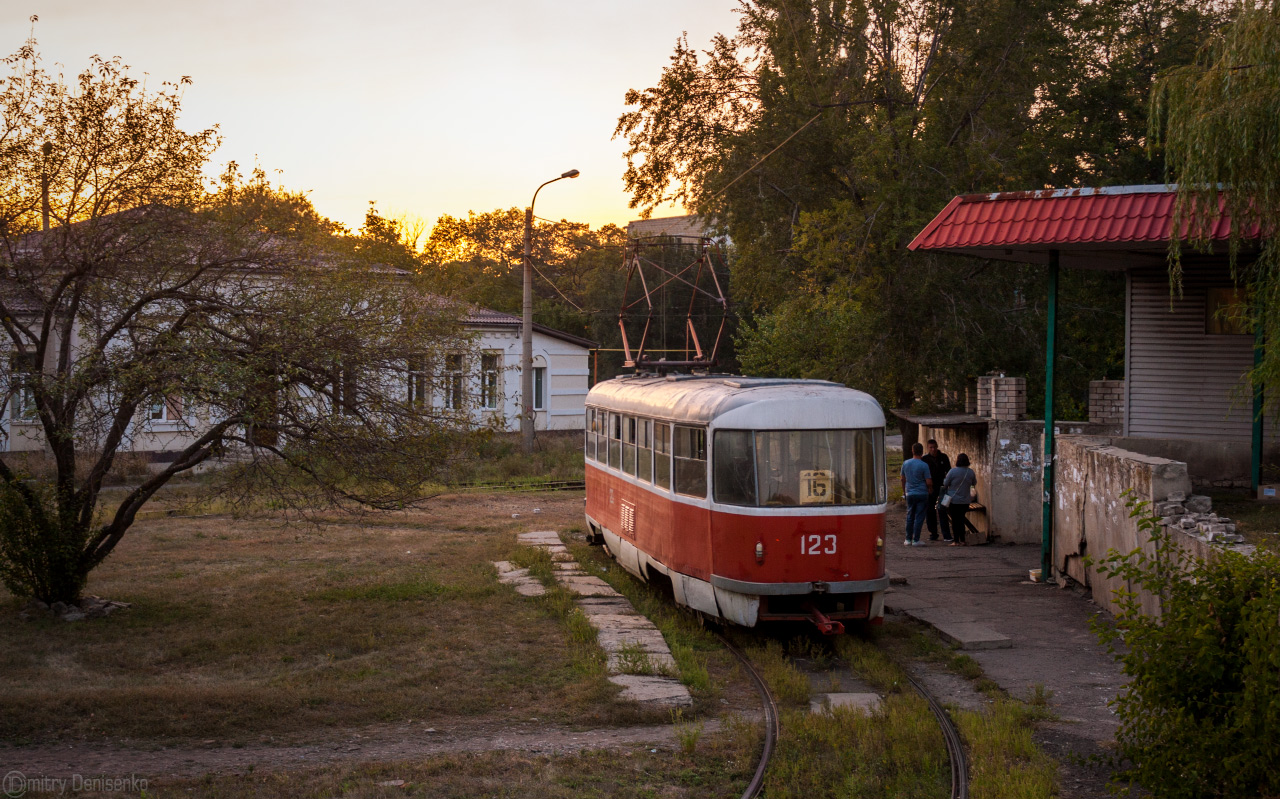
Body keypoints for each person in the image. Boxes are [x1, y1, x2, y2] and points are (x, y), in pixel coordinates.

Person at [900, 442, 932, 546]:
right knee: (919, 516)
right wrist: (930, 489)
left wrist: (904, 491)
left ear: (912, 451)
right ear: (922, 452)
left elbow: (902, 479)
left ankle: (908, 539)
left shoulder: (906, 463)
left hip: (910, 493)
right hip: (922, 493)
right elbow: (928, 482)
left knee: (910, 516)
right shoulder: (924, 465)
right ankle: (916, 539)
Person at [941, 453, 978, 546]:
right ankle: (963, 540)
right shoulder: (970, 472)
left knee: (955, 520)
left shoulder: (952, 471)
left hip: (953, 500)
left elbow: (945, 484)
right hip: (965, 500)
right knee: (961, 520)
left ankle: (956, 541)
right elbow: (974, 483)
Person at [922, 439, 952, 541]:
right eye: (931, 447)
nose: (933, 449)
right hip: (930, 489)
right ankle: (933, 533)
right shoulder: (925, 459)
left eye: (934, 447)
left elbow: (949, 471)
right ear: (928, 448)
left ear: (937, 446)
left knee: (942, 510)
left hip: (942, 488)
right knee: (930, 511)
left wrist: (946, 484)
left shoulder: (943, 457)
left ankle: (946, 535)